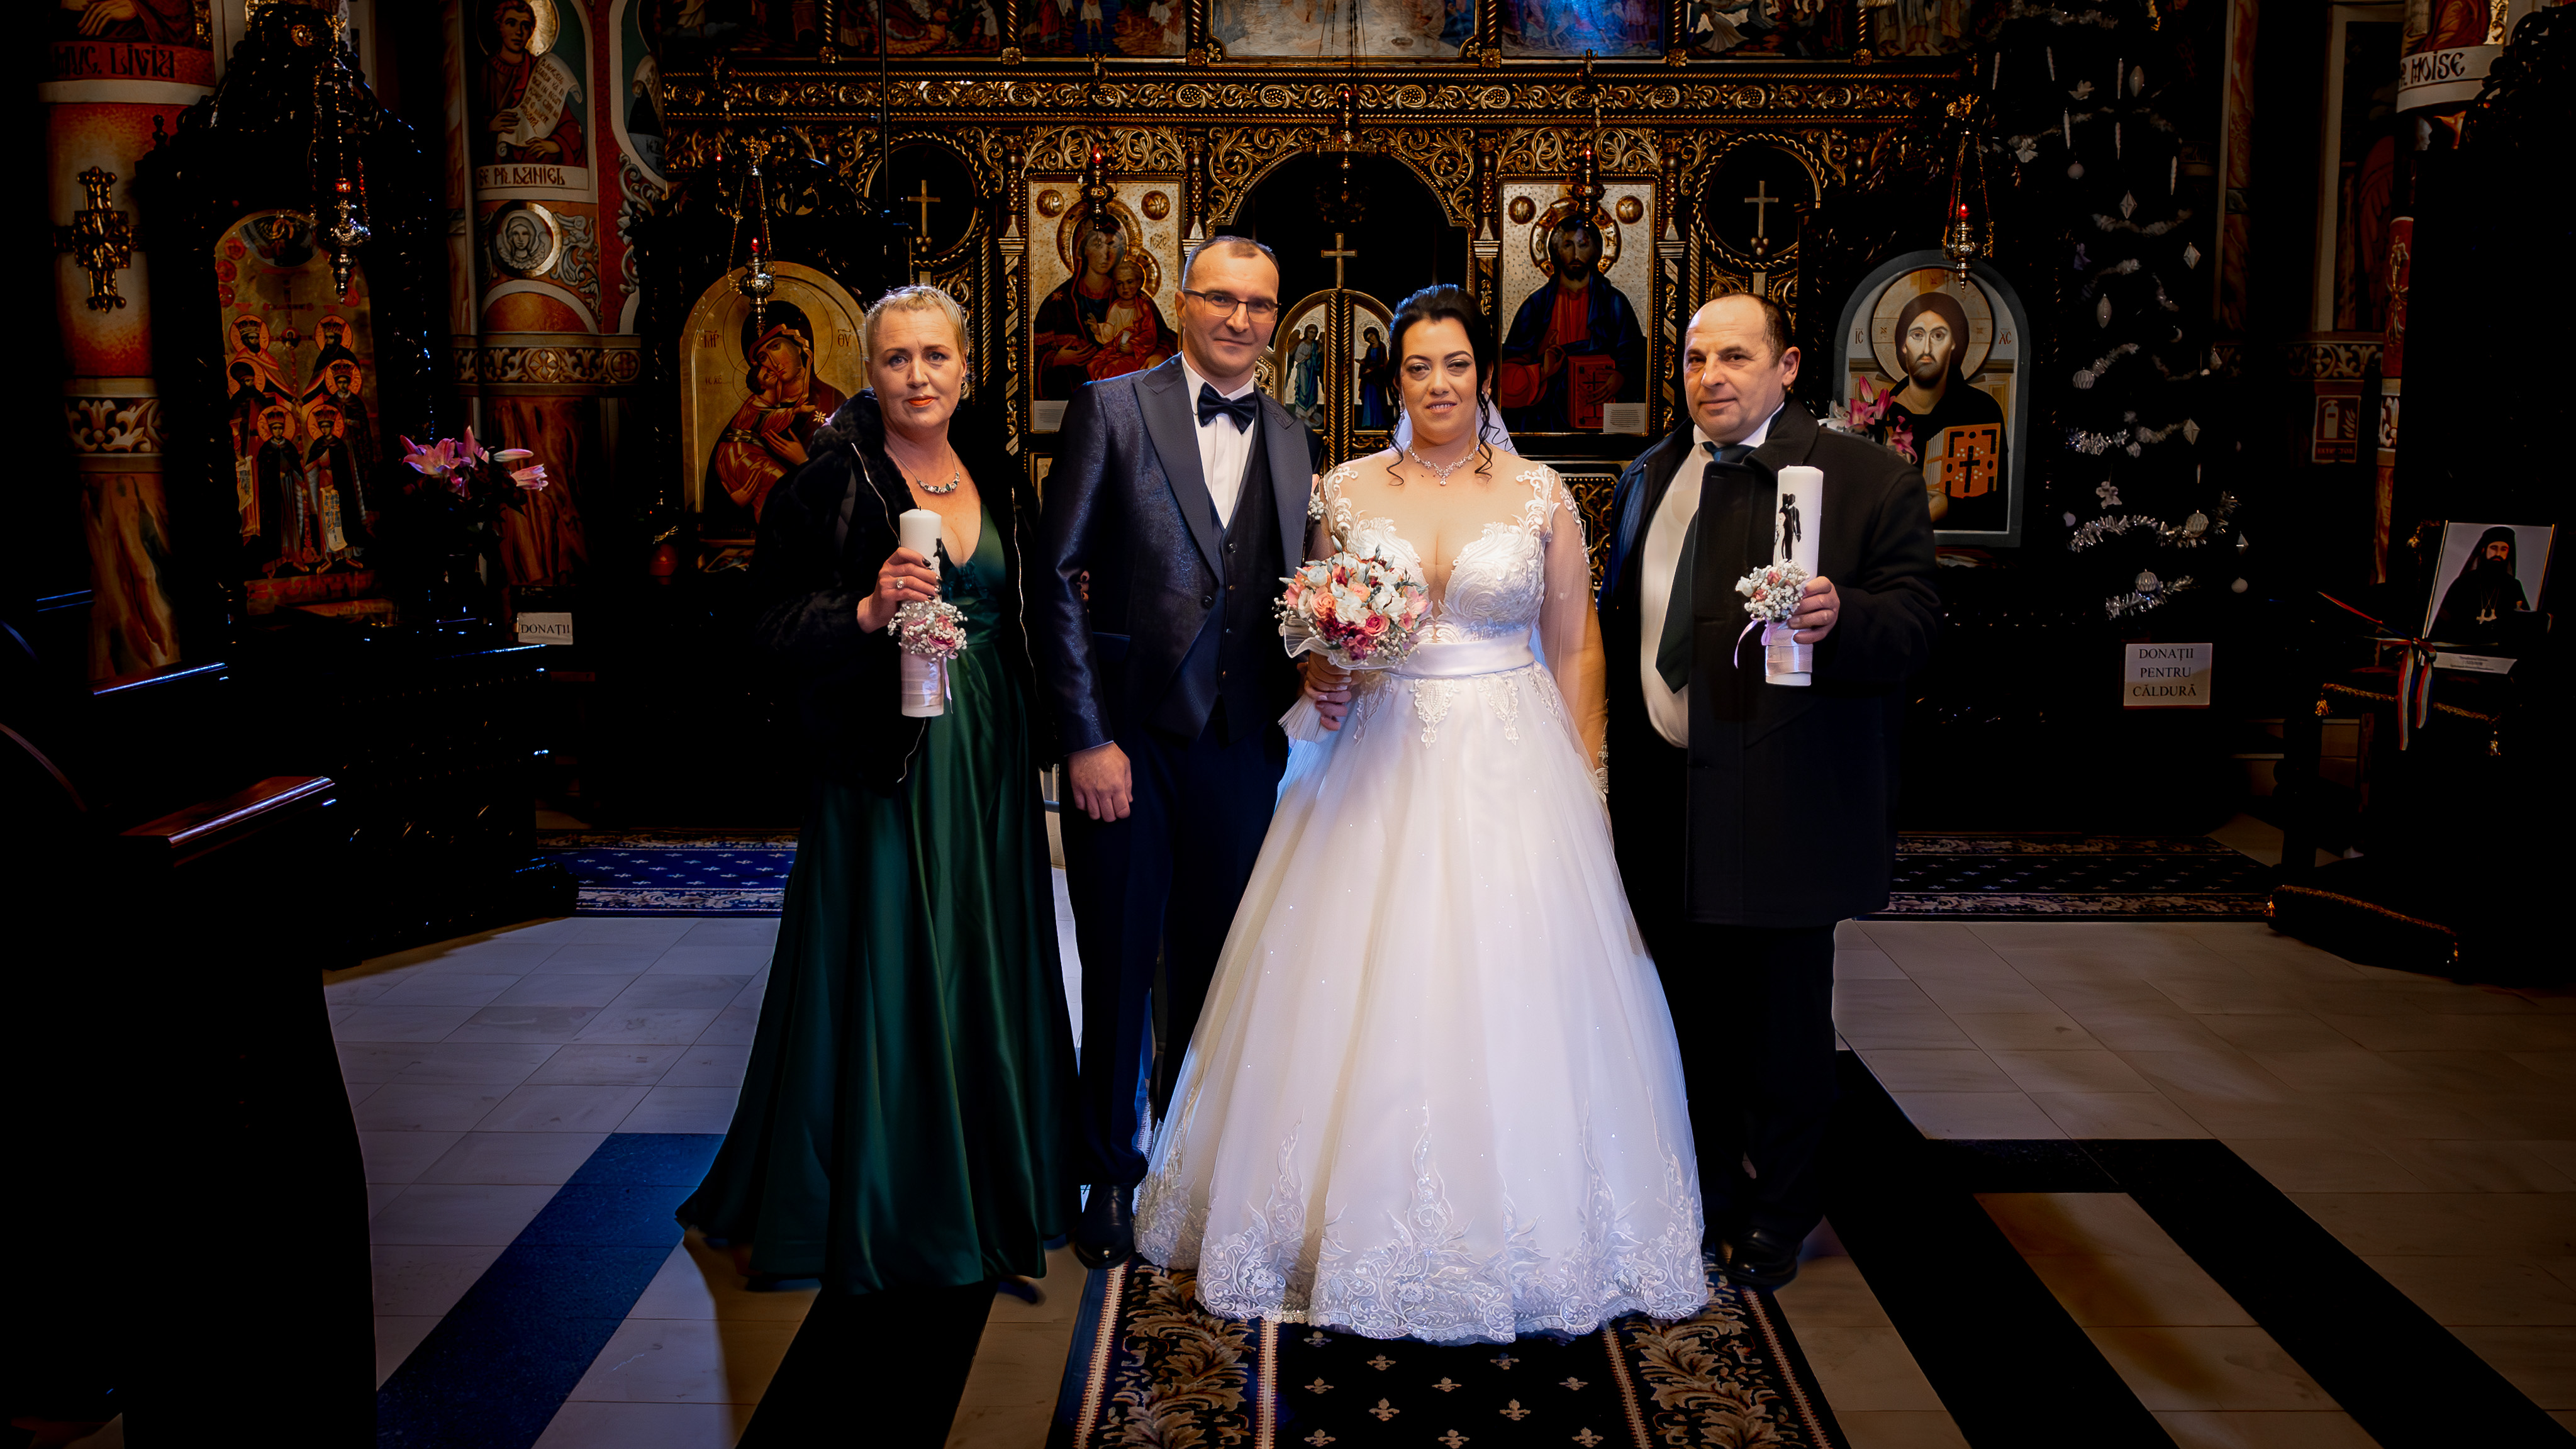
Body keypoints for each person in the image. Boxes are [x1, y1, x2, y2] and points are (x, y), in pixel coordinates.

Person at [1132, 283, 1706, 1341]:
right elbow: (1307, 624)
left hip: (1509, 760)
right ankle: (1335, 1221)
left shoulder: (1539, 493)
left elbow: (1576, 643)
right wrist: (1320, 666)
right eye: (1416, 366)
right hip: (1375, 754)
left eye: (1455, 364)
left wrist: (1589, 782)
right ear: (1392, 378)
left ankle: (1529, 1231)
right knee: (1354, 981)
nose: (1437, 384)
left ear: (1483, 373)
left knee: (1513, 984)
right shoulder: (1347, 489)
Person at [679, 285, 1074, 1445]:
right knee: (896, 966)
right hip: (885, 766)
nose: (917, 376)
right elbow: (758, 633)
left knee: (985, 961)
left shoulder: (996, 474)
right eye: (896, 357)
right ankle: (896, 1187)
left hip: (987, 757)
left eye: (935, 355)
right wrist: (860, 610)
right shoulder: (828, 480)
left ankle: (996, 1170)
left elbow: (1030, 615)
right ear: (869, 367)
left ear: (965, 365)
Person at [1600, 293, 1937, 1289]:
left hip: (1782, 800)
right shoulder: (1648, 474)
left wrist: (1843, 615)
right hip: (1665, 798)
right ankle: (1700, 1193)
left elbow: (1915, 625)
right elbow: (1623, 627)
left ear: (1785, 366)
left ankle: (1779, 1212)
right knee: (1681, 1018)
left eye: (1735, 356)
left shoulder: (1865, 479)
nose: (1709, 375)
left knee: (1781, 1031)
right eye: (1695, 357)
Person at [1034, 236, 1324, 1268]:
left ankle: (1190, 1166)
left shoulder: (1291, 435)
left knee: (1219, 961)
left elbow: (1294, 587)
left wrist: (1322, 667)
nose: (1241, 319)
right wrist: (1086, 737)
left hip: (1242, 742)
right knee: (1118, 957)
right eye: (1221, 299)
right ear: (1183, 301)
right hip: (1127, 740)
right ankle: (1109, 1171)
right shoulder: (1111, 407)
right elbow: (1055, 578)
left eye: (1260, 304)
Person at [1497, 214, 1646, 432]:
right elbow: (1508, 369)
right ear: (1555, 251)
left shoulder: (1614, 302)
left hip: (1603, 412)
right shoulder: (1536, 306)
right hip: (1546, 417)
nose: (1576, 254)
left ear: (1597, 251)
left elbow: (1635, 355)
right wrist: (1542, 370)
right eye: (1568, 245)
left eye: (1583, 245)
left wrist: (1621, 375)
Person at [705, 306, 848, 532]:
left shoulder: (832, 401)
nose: (773, 362)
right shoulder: (752, 416)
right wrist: (737, 500)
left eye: (775, 347)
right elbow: (719, 496)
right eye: (763, 357)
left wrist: (803, 461)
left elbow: (850, 482)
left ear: (800, 344)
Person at [1883, 289, 2007, 531]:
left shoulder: (1981, 411)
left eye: (1938, 335)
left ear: (1954, 343)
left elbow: (1996, 505)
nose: (1927, 348)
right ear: (1904, 344)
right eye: (1917, 335)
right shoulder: (1877, 416)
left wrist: (1949, 506)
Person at [2433, 526, 2529, 646]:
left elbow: (2524, 625)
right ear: (2483, 550)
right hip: (2463, 648)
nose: (2498, 554)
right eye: (2494, 548)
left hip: (2499, 652)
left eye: (2504, 549)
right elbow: (2444, 622)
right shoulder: (2464, 582)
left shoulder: (2513, 586)